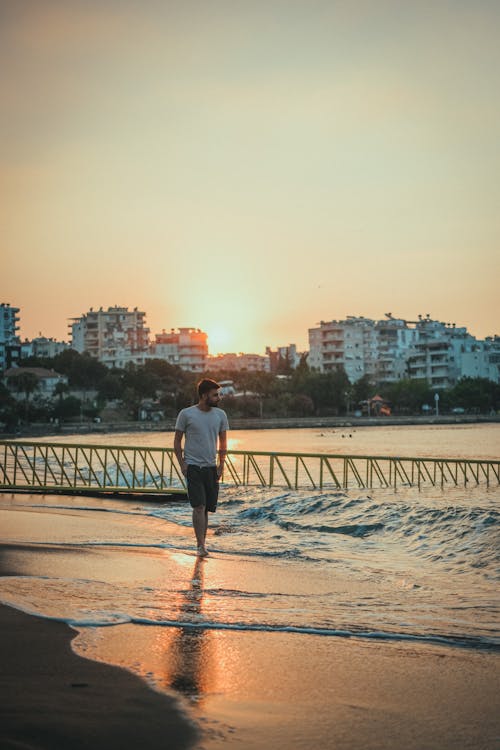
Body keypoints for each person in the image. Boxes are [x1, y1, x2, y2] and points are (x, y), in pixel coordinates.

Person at [174, 378, 229, 557]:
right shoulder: (186, 414)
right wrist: (183, 464)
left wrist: (221, 466)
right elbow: (177, 441)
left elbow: (223, 443)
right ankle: (200, 546)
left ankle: (202, 543)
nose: (218, 398)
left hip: (211, 467)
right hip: (193, 467)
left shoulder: (221, 415)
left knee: (206, 508)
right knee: (198, 506)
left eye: (219, 394)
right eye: (215, 395)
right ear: (204, 395)